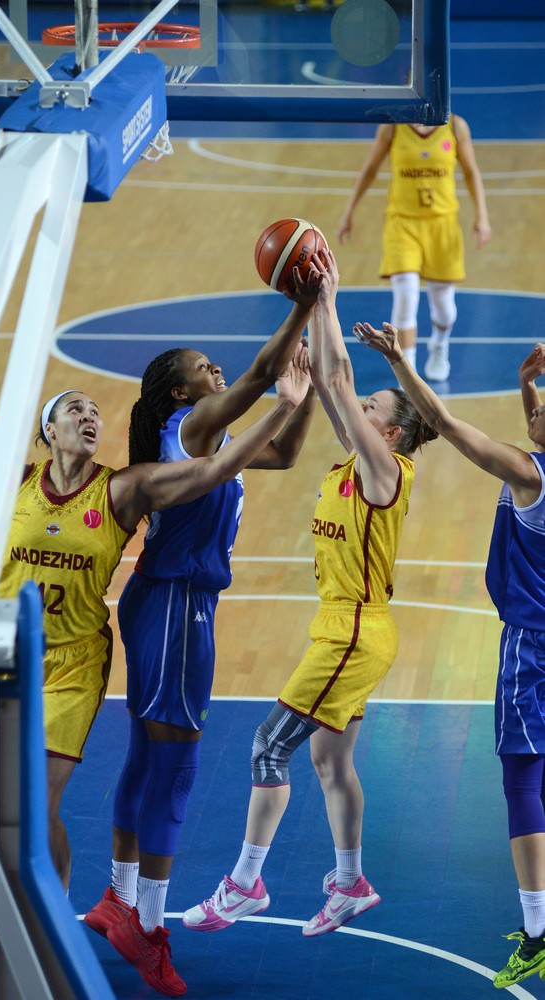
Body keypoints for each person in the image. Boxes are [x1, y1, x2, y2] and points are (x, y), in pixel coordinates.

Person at [181, 249, 437, 947]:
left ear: (390, 432)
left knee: (268, 747)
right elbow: (330, 381)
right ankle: (350, 881)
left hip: (352, 633)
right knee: (329, 761)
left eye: (372, 409)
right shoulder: (360, 459)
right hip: (350, 630)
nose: (359, 408)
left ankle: (246, 883)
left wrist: (326, 297)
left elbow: (340, 378)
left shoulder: (386, 471)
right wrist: (312, 341)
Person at [84, 275, 323, 996]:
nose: (216, 368)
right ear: (180, 393)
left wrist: (304, 395)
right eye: (202, 367)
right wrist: (305, 302)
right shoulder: (189, 428)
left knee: (145, 757)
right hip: (177, 608)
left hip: (164, 604)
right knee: (177, 770)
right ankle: (148, 928)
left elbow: (283, 454)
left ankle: (119, 898)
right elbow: (257, 375)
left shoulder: (201, 437)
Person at [0, 360, 312, 896]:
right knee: (1, 799)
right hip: (7, 654)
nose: (89, 416)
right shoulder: (13, 484)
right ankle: (97, 903)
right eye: (75, 409)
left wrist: (289, 403)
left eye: (95, 411)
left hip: (72, 663)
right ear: (49, 428)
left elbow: (218, 468)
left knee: (36, 800)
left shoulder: (122, 487)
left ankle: (54, 917)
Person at [351, 321, 545, 990]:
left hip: (531, 648)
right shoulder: (535, 464)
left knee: (523, 783)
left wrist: (400, 362)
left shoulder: (528, 474)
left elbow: (442, 422)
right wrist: (525, 386)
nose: (537, 410)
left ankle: (539, 932)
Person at [336, 116, 491, 380]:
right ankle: (408, 374)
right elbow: (370, 169)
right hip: (402, 222)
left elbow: (471, 171)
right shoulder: (392, 127)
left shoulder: (455, 126)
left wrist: (482, 214)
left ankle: (439, 343)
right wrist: (349, 211)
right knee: (405, 295)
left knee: (444, 307)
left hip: (442, 223)